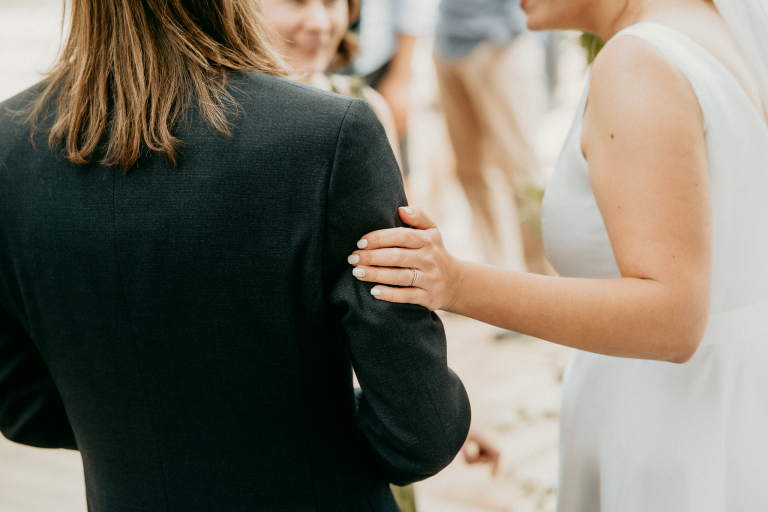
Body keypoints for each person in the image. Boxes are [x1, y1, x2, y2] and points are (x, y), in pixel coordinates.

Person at [0, 1, 472, 511]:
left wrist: (143, 438)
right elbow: (420, 428)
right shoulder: (329, 136)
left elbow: (21, 403)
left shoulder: (9, 146)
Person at [347, 0, 768, 509]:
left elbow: (673, 319)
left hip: (672, 429)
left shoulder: (639, 63)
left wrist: (455, 282)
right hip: (732, 407)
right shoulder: (708, 24)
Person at [433, 0, 549, 273]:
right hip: (447, 43)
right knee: (470, 171)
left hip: (499, 45)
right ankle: (499, 274)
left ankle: (545, 278)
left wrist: (506, 30)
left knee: (521, 172)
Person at [262, 0, 402, 167]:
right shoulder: (235, 116)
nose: (320, 24)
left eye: (331, 2)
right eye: (296, 1)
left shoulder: (368, 107)